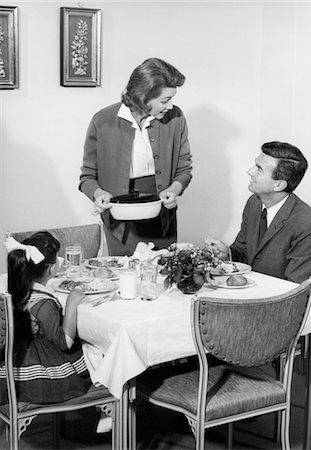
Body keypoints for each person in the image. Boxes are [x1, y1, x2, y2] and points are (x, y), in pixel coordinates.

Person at [79, 57, 193, 256]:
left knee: (163, 279)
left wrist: (174, 190)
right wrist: (99, 194)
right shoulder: (102, 120)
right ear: (142, 97)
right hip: (120, 222)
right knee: (125, 280)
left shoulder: (175, 118)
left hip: (161, 219)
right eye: (165, 100)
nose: (170, 106)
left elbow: (184, 169)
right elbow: (87, 177)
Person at [206, 141, 311, 286]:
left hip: (280, 302)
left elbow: (297, 288)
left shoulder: (307, 223)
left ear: (279, 185)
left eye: (259, 169)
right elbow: (243, 252)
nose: (250, 172)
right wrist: (227, 254)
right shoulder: (254, 203)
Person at [0, 232, 91, 404]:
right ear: (51, 269)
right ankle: (109, 403)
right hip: (39, 374)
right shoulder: (44, 303)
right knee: (94, 351)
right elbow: (65, 343)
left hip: (12, 362)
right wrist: (71, 304)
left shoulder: (17, 290)